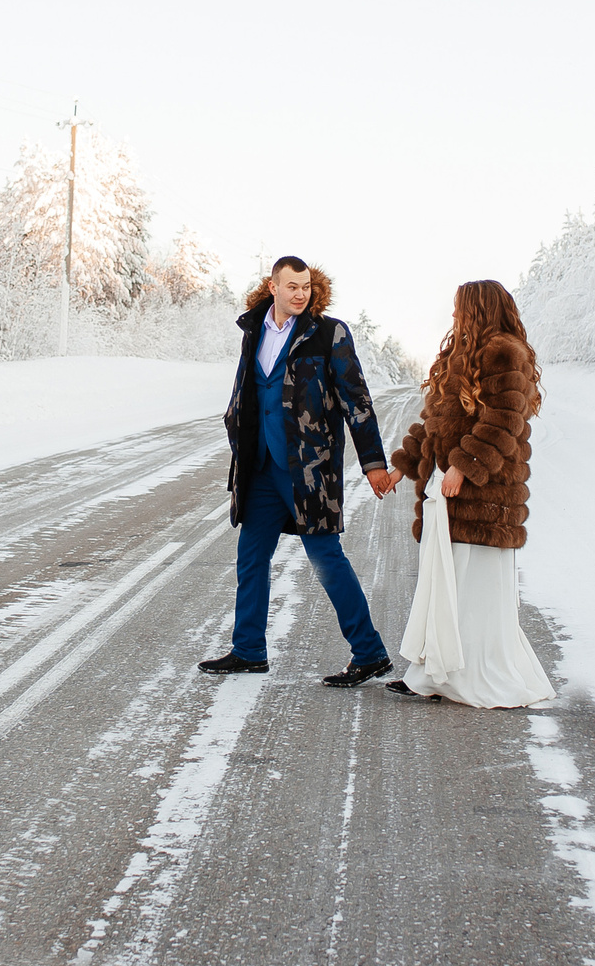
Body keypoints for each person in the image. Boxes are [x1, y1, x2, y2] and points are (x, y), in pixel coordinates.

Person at [205, 255, 400, 684]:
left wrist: (373, 464)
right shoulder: (253, 330)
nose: (300, 293)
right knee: (251, 558)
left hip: (309, 470)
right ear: (272, 286)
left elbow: (357, 400)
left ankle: (369, 652)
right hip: (259, 467)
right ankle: (248, 649)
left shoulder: (329, 333)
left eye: (306, 286)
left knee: (326, 559)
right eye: (291, 286)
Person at [386, 280, 554, 708]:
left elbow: (503, 422)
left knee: (471, 588)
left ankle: (471, 675)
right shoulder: (458, 357)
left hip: (485, 498)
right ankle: (434, 674)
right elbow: (432, 423)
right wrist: (400, 467)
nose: (455, 316)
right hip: (448, 493)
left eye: (462, 309)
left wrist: (464, 466)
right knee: (444, 583)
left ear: (480, 309)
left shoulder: (503, 353)